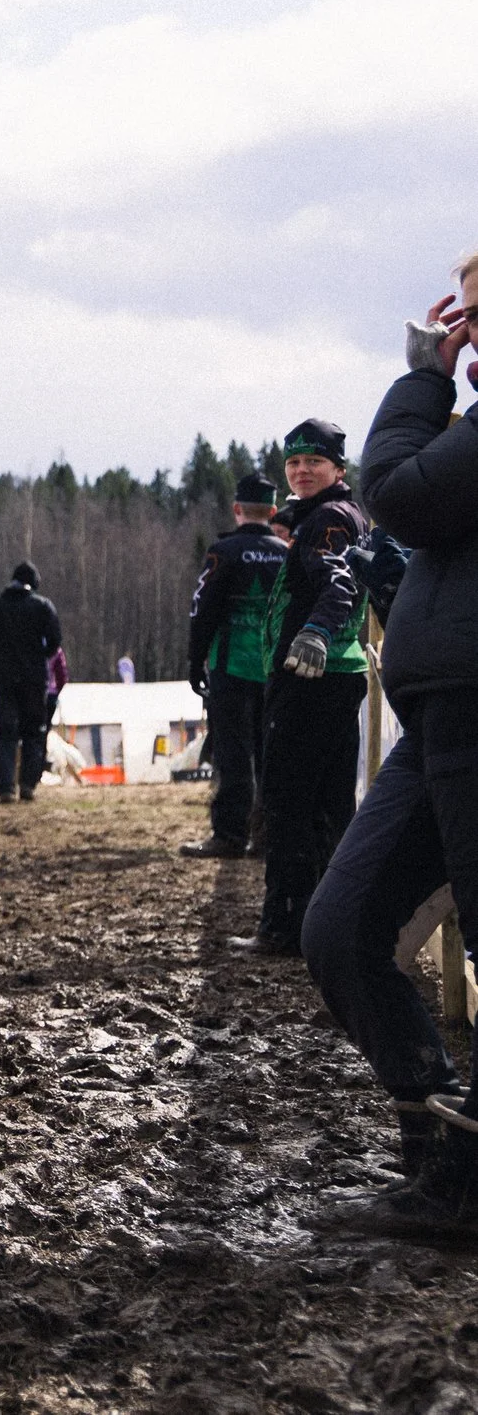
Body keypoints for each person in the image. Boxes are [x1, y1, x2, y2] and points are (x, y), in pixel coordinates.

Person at [304, 287, 478, 1237]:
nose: (467, 328)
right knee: (340, 927)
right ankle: (433, 1144)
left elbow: (398, 495)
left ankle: (464, 1185)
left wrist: (421, 377)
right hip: (440, 711)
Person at [246, 418, 372, 954]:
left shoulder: (328, 519)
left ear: (337, 468)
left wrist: (317, 630)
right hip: (335, 677)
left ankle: (286, 926)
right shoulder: (331, 515)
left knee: (289, 801)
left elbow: (339, 579)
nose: (301, 471)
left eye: (313, 462)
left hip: (311, 675)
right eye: (294, 463)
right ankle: (322, 926)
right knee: (326, 804)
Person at [180, 474, 288, 860]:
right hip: (276, 671)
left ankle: (229, 835)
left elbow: (202, 609)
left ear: (237, 509)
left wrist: (196, 661)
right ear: (273, 511)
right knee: (271, 755)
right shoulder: (286, 552)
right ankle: (267, 837)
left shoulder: (224, 551)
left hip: (231, 668)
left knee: (233, 754)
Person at [0, 562, 64, 803]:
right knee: (33, 732)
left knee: (6, 732)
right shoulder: (42, 607)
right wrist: (39, 657)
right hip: (34, 678)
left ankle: (6, 787)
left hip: (5, 677)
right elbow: (54, 642)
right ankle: (28, 784)